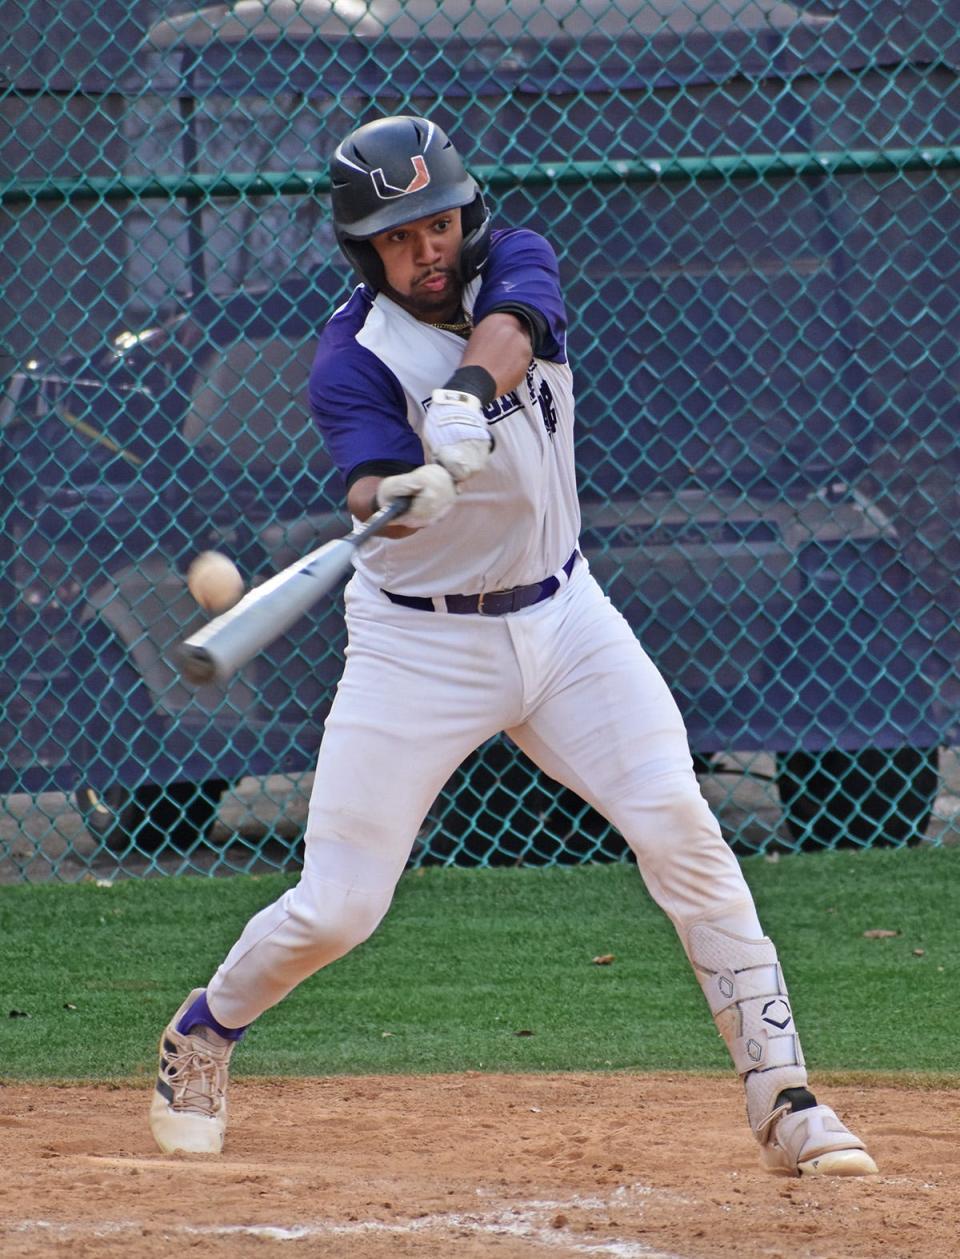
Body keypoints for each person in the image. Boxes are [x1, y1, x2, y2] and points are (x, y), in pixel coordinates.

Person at [150, 114, 877, 1178]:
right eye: (401, 237)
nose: (428, 249)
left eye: (439, 223)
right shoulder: (349, 360)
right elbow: (361, 482)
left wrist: (462, 402)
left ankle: (789, 1098)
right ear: (367, 252)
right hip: (419, 647)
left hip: (567, 620)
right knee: (341, 904)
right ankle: (204, 1031)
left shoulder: (517, 260)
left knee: (683, 829)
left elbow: (514, 329)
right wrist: (392, 492)